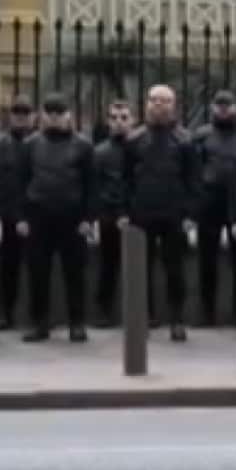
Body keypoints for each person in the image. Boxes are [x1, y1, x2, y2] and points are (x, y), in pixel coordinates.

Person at [120, 85, 200, 343]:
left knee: (175, 270)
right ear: (146, 104)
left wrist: (189, 214)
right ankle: (145, 317)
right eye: (154, 100)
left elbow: (194, 181)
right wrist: (125, 211)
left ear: (173, 105)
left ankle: (177, 320)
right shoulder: (133, 139)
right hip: (141, 214)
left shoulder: (185, 140)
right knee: (141, 270)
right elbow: (125, 180)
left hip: (174, 215)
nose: (158, 105)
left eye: (164, 101)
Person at [16, 94, 95, 343]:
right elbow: (20, 182)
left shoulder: (83, 146)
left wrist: (88, 219)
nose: (54, 118)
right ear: (42, 115)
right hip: (38, 218)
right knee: (38, 274)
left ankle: (77, 324)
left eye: (59, 113)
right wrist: (22, 217)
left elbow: (92, 185)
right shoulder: (30, 145)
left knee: (75, 274)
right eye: (50, 113)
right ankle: (40, 324)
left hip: (73, 219)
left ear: (68, 115)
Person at [194, 90, 236, 326]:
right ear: (212, 107)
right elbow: (194, 169)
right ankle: (207, 311)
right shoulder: (202, 136)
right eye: (219, 105)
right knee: (207, 260)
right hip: (208, 203)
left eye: (228, 105)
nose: (223, 109)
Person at [0, 96, 35, 330]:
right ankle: (5, 312)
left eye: (25, 113)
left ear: (32, 116)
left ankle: (35, 315)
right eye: (16, 113)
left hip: (37, 213)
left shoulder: (38, 142)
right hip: (9, 214)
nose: (20, 117)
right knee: (8, 266)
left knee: (38, 266)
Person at [93, 100, 134, 328]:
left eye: (124, 117)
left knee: (137, 268)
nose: (119, 122)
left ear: (132, 120)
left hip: (135, 216)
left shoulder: (138, 147)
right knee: (107, 266)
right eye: (114, 117)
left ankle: (140, 312)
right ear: (108, 121)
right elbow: (95, 187)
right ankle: (103, 311)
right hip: (108, 217)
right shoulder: (99, 152)